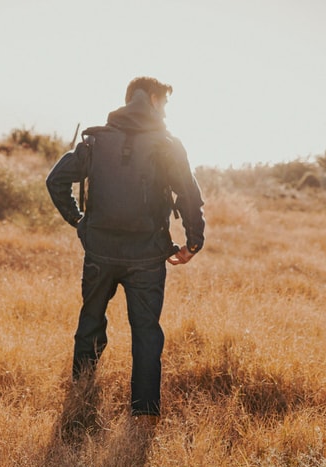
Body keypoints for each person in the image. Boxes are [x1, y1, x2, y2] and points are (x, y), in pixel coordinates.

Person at [46, 76, 205, 423]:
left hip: (99, 252)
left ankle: (81, 397)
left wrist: (79, 222)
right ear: (151, 98)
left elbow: (55, 180)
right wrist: (194, 241)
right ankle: (145, 414)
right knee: (146, 331)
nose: (164, 110)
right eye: (163, 102)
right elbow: (189, 195)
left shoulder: (95, 140)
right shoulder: (167, 144)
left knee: (90, 323)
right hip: (147, 256)